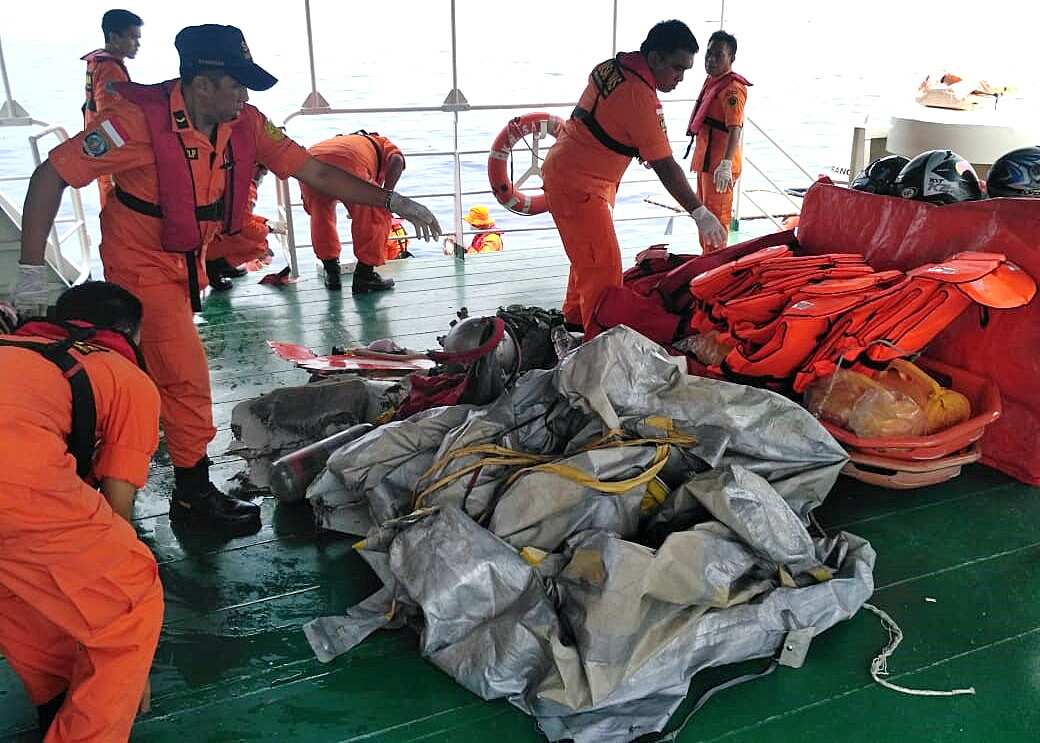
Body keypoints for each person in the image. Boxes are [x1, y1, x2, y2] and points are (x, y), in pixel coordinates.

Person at [11, 24, 441, 536]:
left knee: (157, 367)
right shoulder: (131, 124)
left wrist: (393, 201)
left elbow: (316, 173)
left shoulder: (248, 124)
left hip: (193, 255)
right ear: (202, 83)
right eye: (236, 84)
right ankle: (192, 496)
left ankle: (118, 449)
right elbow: (51, 175)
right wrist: (31, 272)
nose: (245, 95)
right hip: (141, 259)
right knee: (186, 375)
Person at [0, 281, 163, 742]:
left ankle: (60, 700)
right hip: (13, 476)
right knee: (128, 599)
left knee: (17, 587)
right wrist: (129, 664)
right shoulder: (124, 374)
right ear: (129, 334)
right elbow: (117, 508)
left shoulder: (16, 349)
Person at [542, 20, 725, 333]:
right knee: (604, 273)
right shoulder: (640, 97)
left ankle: (574, 323)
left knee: (586, 258)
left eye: (685, 71)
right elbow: (666, 166)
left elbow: (601, 117)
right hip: (581, 185)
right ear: (654, 58)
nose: (680, 78)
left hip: (565, 170)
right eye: (677, 68)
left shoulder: (612, 67)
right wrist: (700, 212)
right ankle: (599, 344)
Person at [300, 131, 407, 292]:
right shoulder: (382, 142)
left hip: (310, 163)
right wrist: (386, 197)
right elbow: (397, 160)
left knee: (320, 216)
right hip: (349, 162)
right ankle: (365, 276)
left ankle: (332, 273)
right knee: (375, 215)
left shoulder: (347, 141)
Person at [685, 30, 751, 251]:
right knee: (704, 220)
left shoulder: (732, 90)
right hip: (706, 163)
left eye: (718, 55)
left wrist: (725, 165)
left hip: (719, 168)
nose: (711, 59)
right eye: (709, 54)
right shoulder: (713, 82)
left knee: (716, 223)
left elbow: (735, 129)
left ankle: (715, 267)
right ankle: (706, 261)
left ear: (731, 58)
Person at [81, 9, 143, 207]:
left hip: (100, 148)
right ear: (114, 37)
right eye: (133, 37)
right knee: (115, 204)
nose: (138, 44)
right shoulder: (110, 70)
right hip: (110, 153)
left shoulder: (97, 64)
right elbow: (110, 116)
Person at [206, 164, 285, 290]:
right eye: (263, 173)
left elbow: (237, 216)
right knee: (260, 245)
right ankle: (214, 268)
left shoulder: (229, 177)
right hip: (211, 241)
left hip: (206, 234)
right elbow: (244, 227)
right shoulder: (246, 188)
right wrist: (268, 228)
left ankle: (217, 264)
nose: (263, 176)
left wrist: (265, 221)